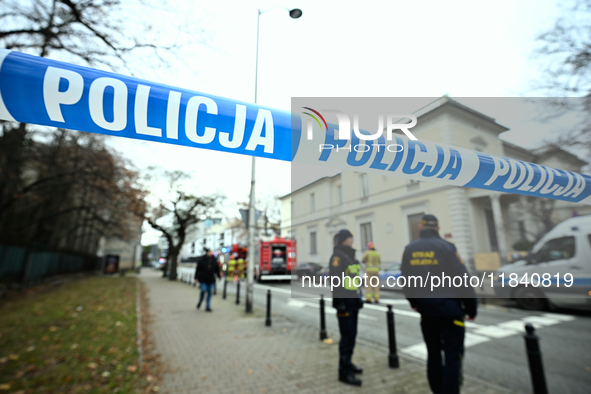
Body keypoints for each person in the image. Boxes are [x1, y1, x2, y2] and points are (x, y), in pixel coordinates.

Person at [401, 214, 477, 394]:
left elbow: (406, 280)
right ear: (438, 228)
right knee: (453, 356)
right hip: (450, 311)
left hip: (427, 311)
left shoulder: (410, 249)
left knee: (433, 354)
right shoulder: (448, 247)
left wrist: (414, 303)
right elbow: (463, 279)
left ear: (420, 228)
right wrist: (471, 308)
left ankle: (437, 389)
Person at [329, 229, 364, 386]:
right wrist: (339, 302)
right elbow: (335, 280)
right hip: (344, 303)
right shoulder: (338, 256)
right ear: (344, 239)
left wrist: (358, 297)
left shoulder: (349, 255)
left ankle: (348, 362)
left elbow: (354, 279)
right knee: (346, 337)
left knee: (352, 335)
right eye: (350, 237)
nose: (352, 240)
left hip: (352, 301)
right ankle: (343, 371)